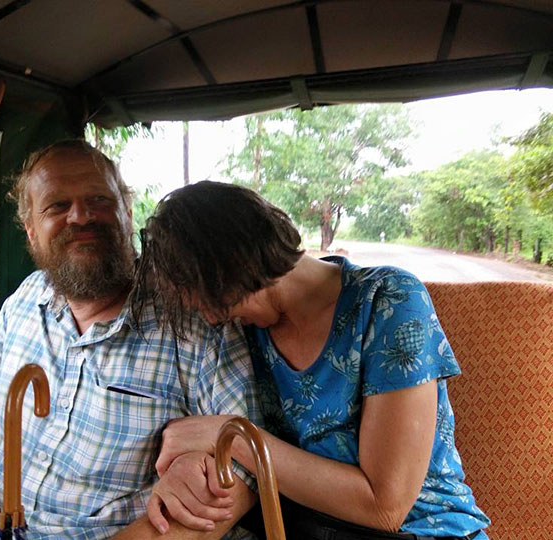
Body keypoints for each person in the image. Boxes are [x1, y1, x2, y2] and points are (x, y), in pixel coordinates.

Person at [0, 142, 261, 540]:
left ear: (127, 212)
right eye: (56, 206)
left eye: (98, 199)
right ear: (31, 232)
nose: (79, 216)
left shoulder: (195, 317)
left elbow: (242, 474)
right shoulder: (24, 302)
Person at [132, 181, 490, 540]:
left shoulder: (389, 300)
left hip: (425, 529)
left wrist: (232, 435)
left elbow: (385, 507)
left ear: (235, 264)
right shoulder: (249, 331)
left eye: (216, 302)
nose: (212, 319)